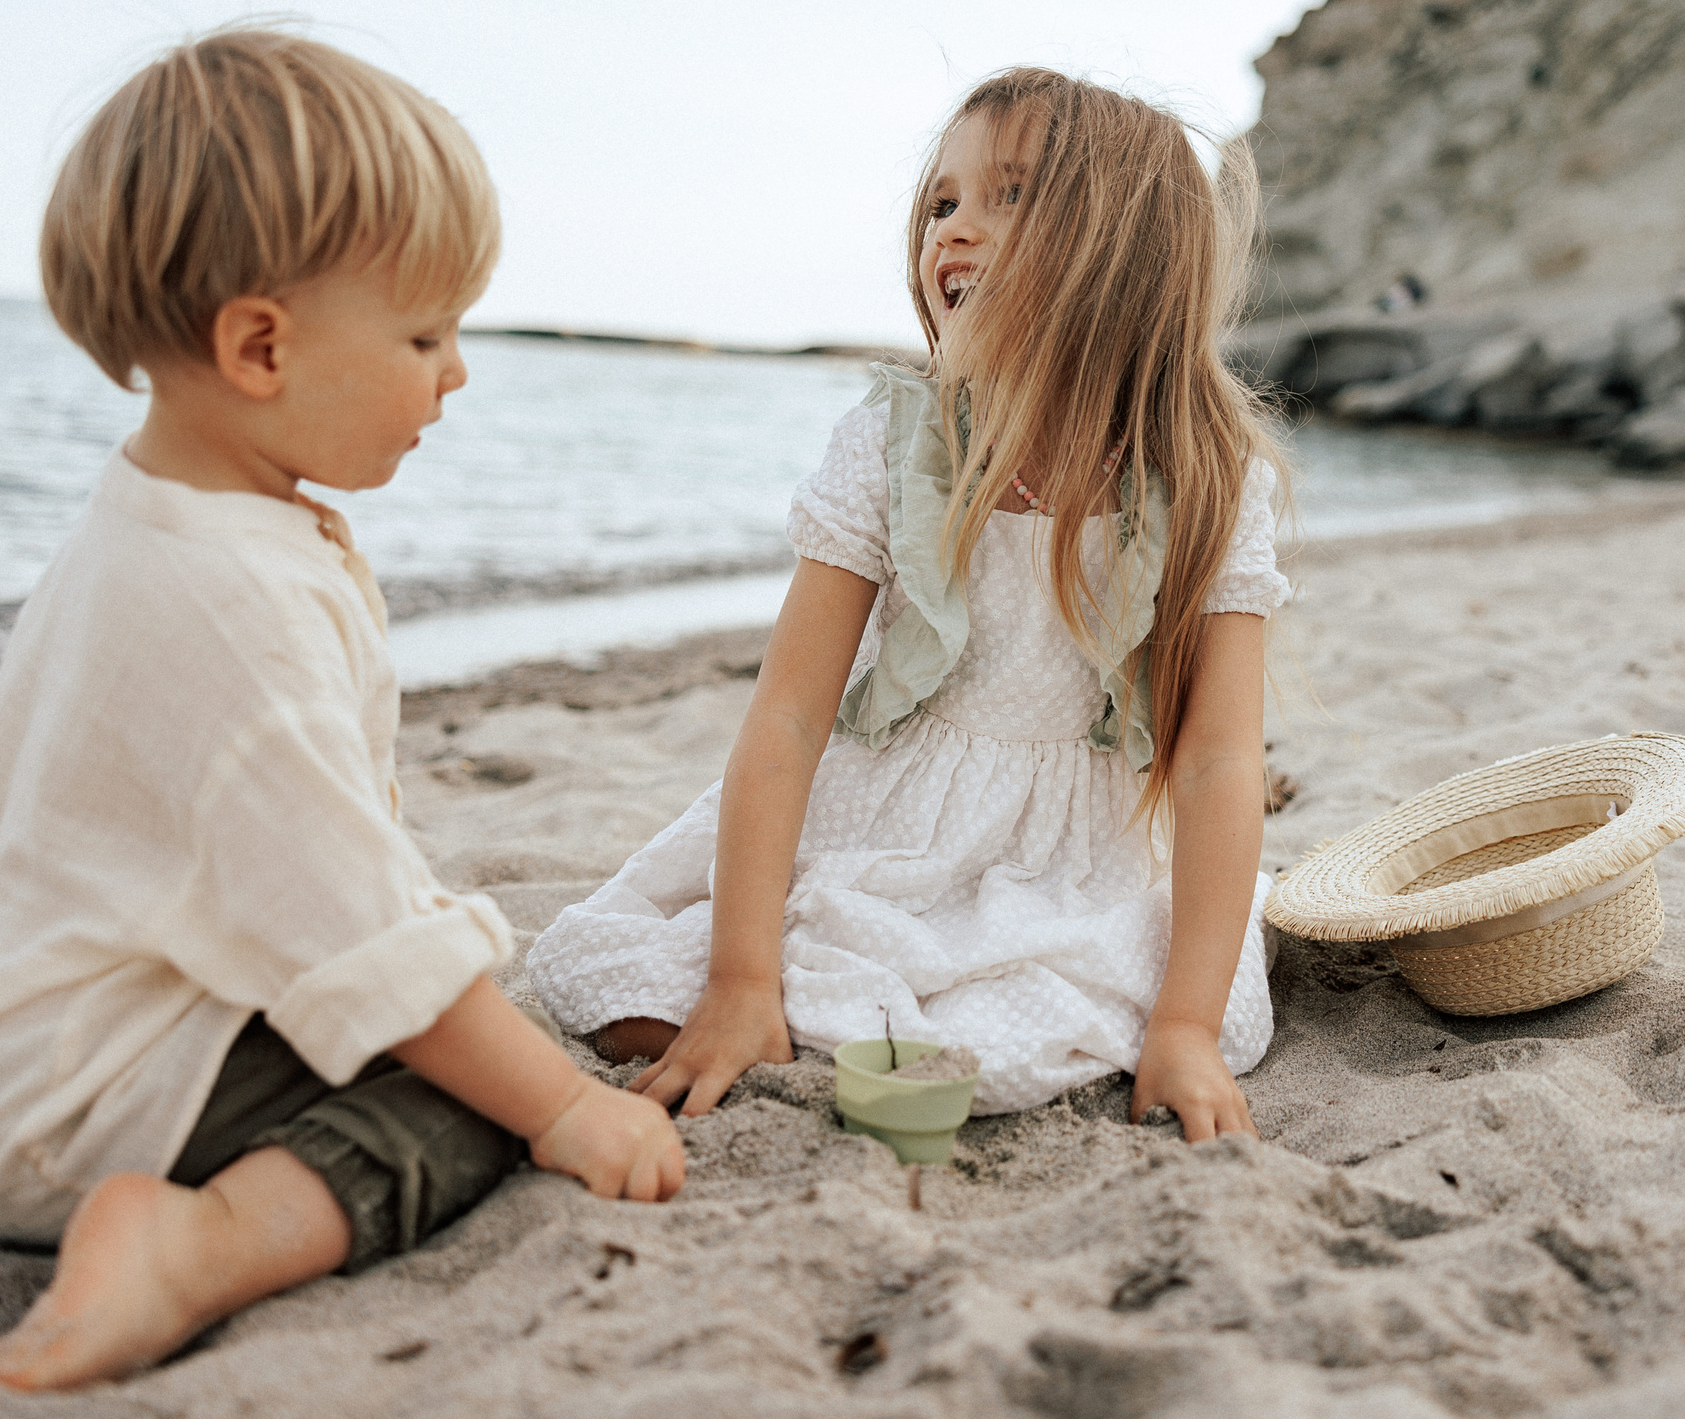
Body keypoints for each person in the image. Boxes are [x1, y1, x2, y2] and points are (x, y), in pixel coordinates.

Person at [0, 30, 684, 1393]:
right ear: (261, 346)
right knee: (470, 1106)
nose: (456, 372)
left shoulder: (164, 521)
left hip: (33, 1040)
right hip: (75, 1110)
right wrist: (566, 1105)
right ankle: (189, 1247)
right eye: (425, 335)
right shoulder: (229, 608)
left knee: (476, 1048)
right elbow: (364, 934)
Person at [528, 68, 1291, 1138]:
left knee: (1039, 1038)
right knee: (629, 985)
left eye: (1008, 196)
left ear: (1125, 251)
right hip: (879, 816)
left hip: (1070, 851)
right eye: (941, 202)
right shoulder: (896, 445)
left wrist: (1187, 1025)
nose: (954, 231)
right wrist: (741, 979)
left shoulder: (1208, 478)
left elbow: (1216, 763)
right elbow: (788, 719)